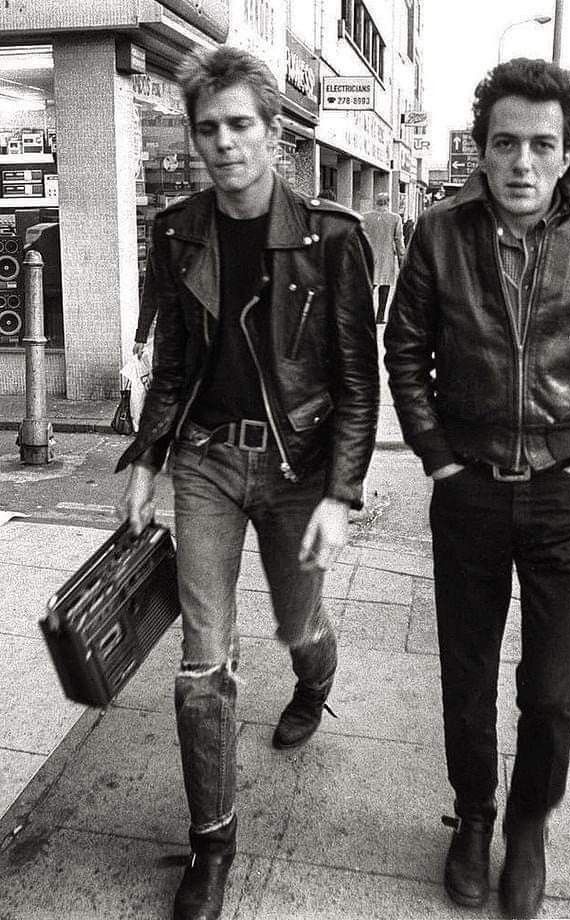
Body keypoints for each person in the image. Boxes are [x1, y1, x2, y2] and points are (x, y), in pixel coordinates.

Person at [384, 58, 570, 919]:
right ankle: (473, 818)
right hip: (468, 490)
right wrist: (435, 455)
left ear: (566, 152)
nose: (522, 164)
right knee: (466, 677)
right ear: (483, 148)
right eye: (506, 144)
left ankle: (528, 826)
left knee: (550, 690)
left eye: (542, 145)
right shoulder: (438, 232)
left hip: (561, 495)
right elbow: (406, 352)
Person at [117, 45, 378, 920]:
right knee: (202, 665)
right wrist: (148, 461)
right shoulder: (179, 228)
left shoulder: (332, 238)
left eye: (240, 126)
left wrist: (341, 496)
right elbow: (176, 358)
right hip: (205, 462)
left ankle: (313, 682)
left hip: (299, 467)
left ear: (276, 134)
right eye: (208, 128)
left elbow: (355, 377)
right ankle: (214, 844)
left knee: (298, 622)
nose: (223, 143)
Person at [362, 191, 405, 323]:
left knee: (369, 286)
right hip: (386, 257)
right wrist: (402, 258)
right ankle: (380, 316)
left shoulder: (365, 217)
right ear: (388, 202)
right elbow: (398, 240)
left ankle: (365, 315)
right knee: (385, 286)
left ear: (376, 202)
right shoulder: (395, 218)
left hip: (369, 256)